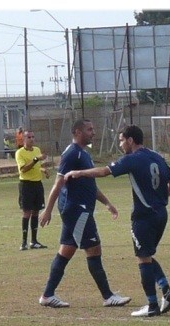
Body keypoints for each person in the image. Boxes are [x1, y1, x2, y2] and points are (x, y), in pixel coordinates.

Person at [64, 125, 170, 318]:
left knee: (143, 258)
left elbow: (104, 171)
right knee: (147, 254)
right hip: (161, 214)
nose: (120, 145)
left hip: (143, 217)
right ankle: (166, 289)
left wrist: (80, 173)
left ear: (131, 140)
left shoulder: (131, 159)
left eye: (122, 140)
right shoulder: (155, 156)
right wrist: (161, 200)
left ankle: (152, 305)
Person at [37, 119, 131, 309]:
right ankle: (108, 296)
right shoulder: (72, 153)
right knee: (93, 249)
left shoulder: (84, 154)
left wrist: (107, 203)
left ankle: (47, 295)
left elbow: (90, 185)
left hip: (80, 209)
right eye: (89, 129)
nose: (93, 132)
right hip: (76, 210)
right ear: (77, 132)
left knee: (66, 250)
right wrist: (48, 210)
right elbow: (58, 183)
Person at [15, 129, 50, 251]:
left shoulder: (37, 150)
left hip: (37, 184)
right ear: (23, 139)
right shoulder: (20, 153)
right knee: (27, 213)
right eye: (29, 137)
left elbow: (36, 166)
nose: (31, 139)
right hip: (26, 185)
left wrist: (43, 170)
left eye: (33, 137)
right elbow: (23, 169)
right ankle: (24, 242)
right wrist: (36, 159)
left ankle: (34, 241)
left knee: (36, 212)